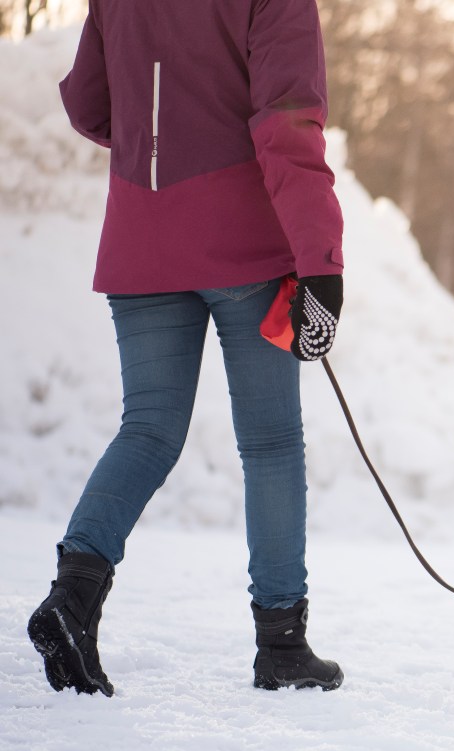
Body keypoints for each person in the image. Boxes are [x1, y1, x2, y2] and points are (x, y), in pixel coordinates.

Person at [26, 0, 347, 695]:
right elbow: (287, 122)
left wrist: (162, 141)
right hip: (244, 245)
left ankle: (73, 601)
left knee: (147, 429)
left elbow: (87, 104)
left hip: (142, 238)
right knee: (269, 443)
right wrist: (322, 261)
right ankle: (281, 645)